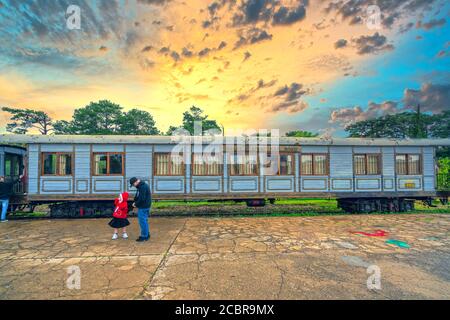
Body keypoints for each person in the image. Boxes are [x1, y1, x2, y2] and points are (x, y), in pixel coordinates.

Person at [129, 177, 151, 242]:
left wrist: (135, 204)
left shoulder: (142, 187)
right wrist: (135, 200)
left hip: (143, 206)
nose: (134, 186)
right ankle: (147, 234)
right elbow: (138, 196)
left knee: (142, 222)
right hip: (145, 205)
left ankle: (144, 236)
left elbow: (142, 198)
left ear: (136, 182)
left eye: (133, 185)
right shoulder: (141, 186)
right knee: (145, 221)